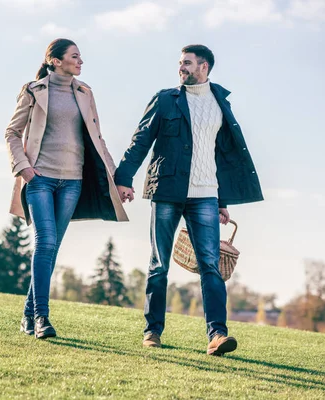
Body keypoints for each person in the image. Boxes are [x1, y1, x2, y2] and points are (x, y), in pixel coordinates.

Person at [114, 44, 263, 355]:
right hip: (167, 191)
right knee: (159, 266)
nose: (181, 68)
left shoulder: (220, 104)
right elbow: (140, 140)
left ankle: (217, 335)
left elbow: (221, 156)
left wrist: (222, 200)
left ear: (204, 67)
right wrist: (123, 179)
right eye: (180, 63)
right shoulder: (166, 100)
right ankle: (152, 331)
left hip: (206, 196)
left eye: (187, 63)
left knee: (211, 266)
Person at [4, 38, 128, 339]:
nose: (80, 61)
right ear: (56, 61)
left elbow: (98, 139)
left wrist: (116, 178)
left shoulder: (85, 93)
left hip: (73, 181)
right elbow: (12, 133)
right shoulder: (34, 91)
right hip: (40, 180)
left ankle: (27, 315)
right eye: (74, 56)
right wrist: (25, 169)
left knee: (51, 247)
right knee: (45, 243)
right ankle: (41, 319)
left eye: (80, 57)